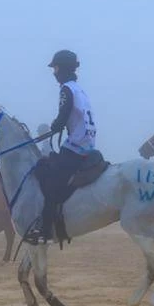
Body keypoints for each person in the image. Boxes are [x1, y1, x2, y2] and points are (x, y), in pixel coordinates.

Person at [39, 49, 96, 242]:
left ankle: (46, 232)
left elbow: (63, 116)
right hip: (88, 145)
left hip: (75, 146)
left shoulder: (66, 89)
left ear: (62, 69)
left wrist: (53, 128)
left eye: (55, 68)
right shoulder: (80, 89)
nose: (54, 72)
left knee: (49, 183)